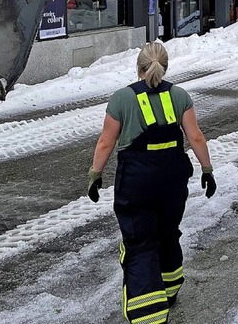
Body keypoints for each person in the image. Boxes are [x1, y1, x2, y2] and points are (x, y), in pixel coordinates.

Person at [87, 42, 216, 324]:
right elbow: (196, 137)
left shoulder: (121, 98)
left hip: (137, 180)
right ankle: (170, 288)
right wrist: (207, 170)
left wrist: (95, 175)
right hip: (173, 178)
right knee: (168, 231)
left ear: (139, 67)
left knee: (140, 239)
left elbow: (106, 142)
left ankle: (148, 313)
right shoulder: (180, 96)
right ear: (165, 66)